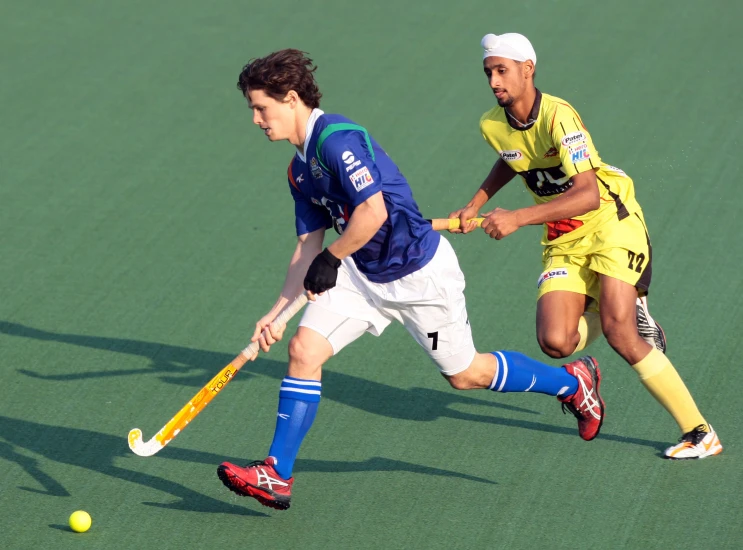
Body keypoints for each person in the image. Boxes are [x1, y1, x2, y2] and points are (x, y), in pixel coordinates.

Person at [217, 49, 605, 511]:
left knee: (466, 375)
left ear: (292, 98)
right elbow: (307, 248)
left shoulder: (337, 141)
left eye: (262, 108)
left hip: (420, 275)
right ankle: (277, 473)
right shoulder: (299, 169)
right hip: (361, 276)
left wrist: (333, 256)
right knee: (303, 349)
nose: (257, 120)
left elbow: (372, 211)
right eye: (253, 110)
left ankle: (571, 383)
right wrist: (277, 312)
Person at [449, 33, 722, 460]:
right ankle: (614, 317)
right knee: (557, 342)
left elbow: (588, 194)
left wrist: (517, 217)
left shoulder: (560, 117)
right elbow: (512, 155)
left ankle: (700, 432)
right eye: (488, 73)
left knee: (620, 333)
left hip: (610, 223)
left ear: (528, 69)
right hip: (563, 235)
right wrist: (476, 203)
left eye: (501, 71)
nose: (493, 82)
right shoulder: (492, 124)